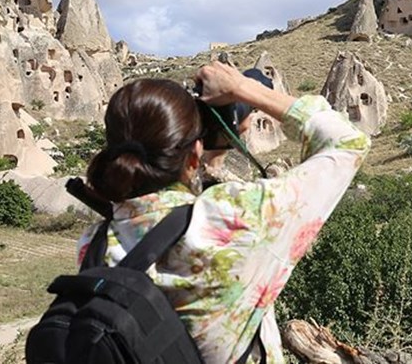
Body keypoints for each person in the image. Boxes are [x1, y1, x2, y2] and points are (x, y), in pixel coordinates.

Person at [76, 61, 370, 363]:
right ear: (194, 155)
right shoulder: (233, 219)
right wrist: (243, 88)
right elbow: (348, 141)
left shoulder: (94, 243)